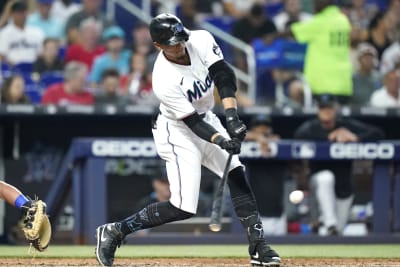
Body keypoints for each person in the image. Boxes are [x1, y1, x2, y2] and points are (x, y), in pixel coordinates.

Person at [95, 13, 281, 267]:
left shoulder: (200, 39)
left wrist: (232, 117)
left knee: (236, 171)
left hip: (207, 115)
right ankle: (116, 230)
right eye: (173, 43)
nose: (180, 45)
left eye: (181, 39)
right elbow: (192, 123)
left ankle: (258, 246)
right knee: (183, 207)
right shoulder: (163, 78)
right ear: (159, 46)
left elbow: (223, 75)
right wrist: (221, 140)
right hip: (177, 130)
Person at [293, 94, 384, 235]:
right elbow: (297, 138)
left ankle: (329, 233)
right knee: (326, 177)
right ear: (317, 109)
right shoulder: (311, 127)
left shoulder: (346, 125)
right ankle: (328, 222)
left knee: (337, 232)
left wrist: (355, 137)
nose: (326, 111)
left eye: (329, 107)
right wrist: (328, 138)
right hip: (317, 186)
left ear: (336, 109)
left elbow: (378, 133)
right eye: (322, 107)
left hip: (344, 189)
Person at [287, 0, 353, 103]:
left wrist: (270, 37)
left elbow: (293, 32)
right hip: (344, 84)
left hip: (323, 84)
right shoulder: (343, 20)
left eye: (317, 2)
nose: (314, 4)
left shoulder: (321, 21)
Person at [244, 115, 287, 235]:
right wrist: (256, 137)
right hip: (255, 216)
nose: (262, 130)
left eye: (265, 127)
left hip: (279, 215)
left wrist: (277, 144)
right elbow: (232, 138)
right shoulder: (247, 146)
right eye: (258, 127)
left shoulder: (278, 145)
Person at [0, 1, 45, 66]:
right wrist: (14, 65)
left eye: (23, 12)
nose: (21, 15)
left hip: (34, 69)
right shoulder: (5, 32)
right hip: (13, 69)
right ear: (12, 14)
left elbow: (41, 53)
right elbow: (1, 55)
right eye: (18, 12)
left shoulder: (37, 32)